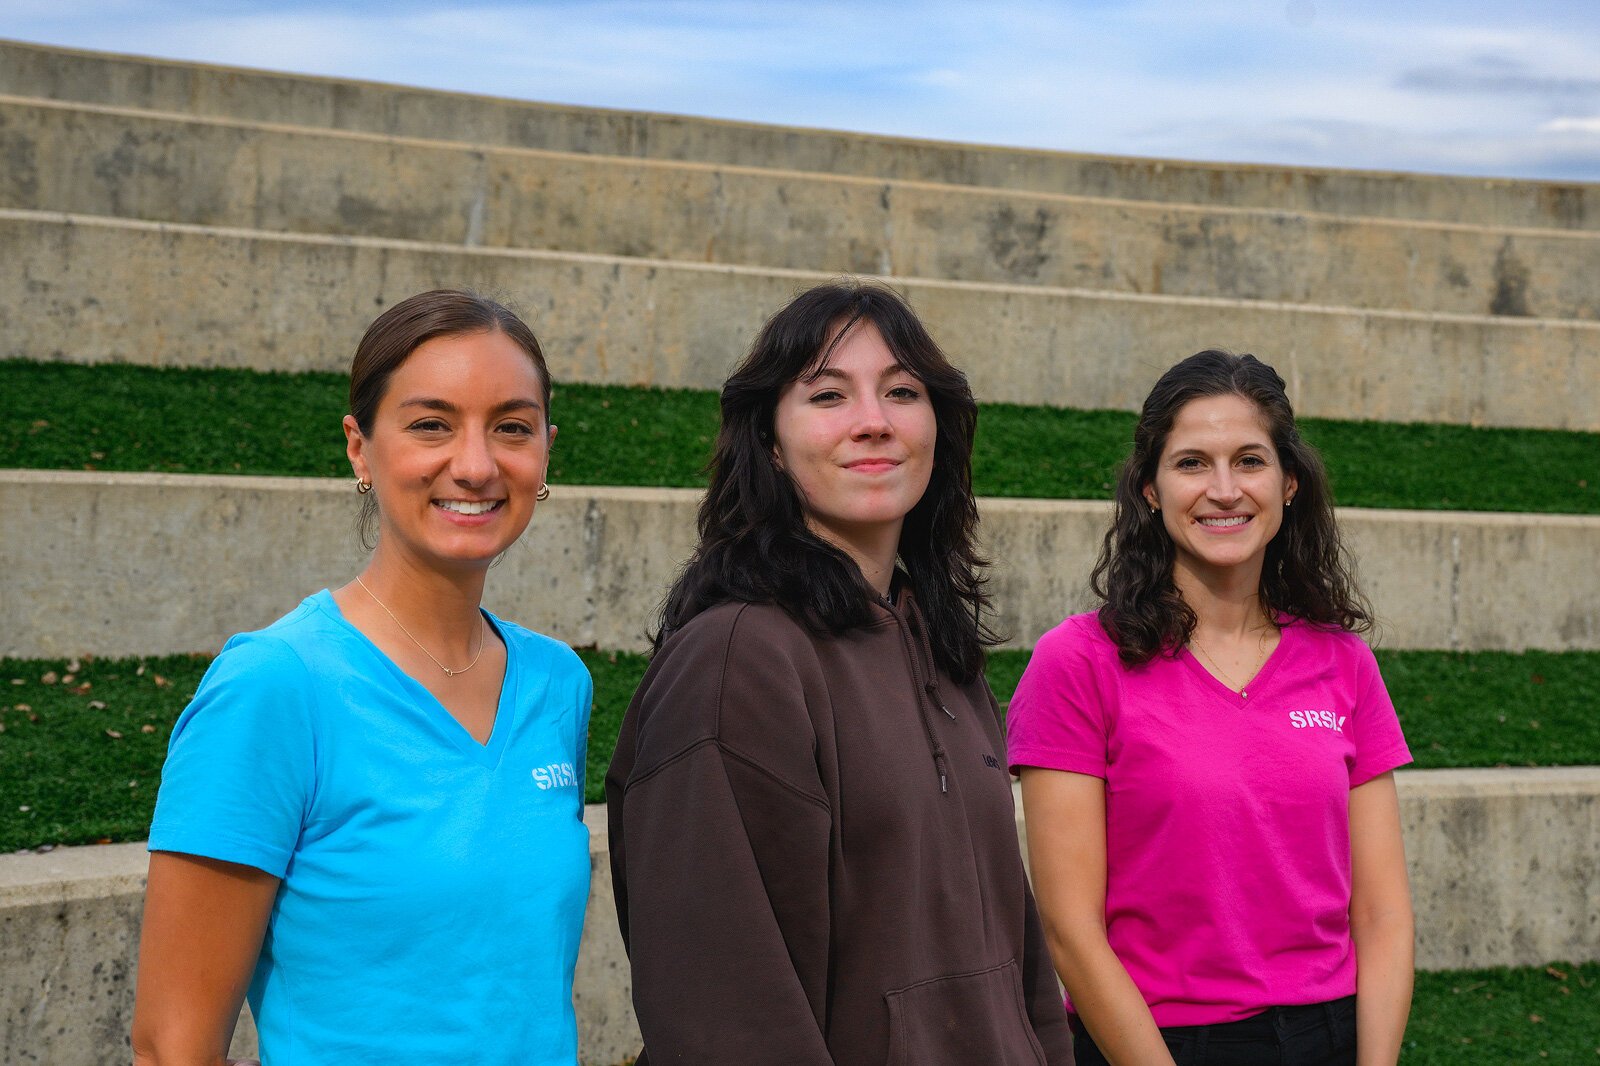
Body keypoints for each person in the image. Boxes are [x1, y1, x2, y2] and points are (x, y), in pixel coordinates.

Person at [605, 280, 1073, 1064]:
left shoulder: (944, 653)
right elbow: (726, 1015)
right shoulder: (736, 661)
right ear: (770, 442)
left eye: (901, 391)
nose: (874, 422)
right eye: (828, 395)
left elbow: (1021, 968)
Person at [131, 290, 593, 1065]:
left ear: (546, 448)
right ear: (359, 447)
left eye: (511, 428)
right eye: (431, 425)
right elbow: (171, 1046)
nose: (476, 465)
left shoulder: (558, 682)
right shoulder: (274, 688)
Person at [1008, 350, 1414, 1066]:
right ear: (1150, 489)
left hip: (1331, 1034)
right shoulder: (1077, 662)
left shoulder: (1343, 663)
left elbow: (1382, 917)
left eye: (1249, 461)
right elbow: (1070, 927)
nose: (1224, 490)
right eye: (1192, 462)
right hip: (1155, 1042)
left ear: (1289, 484)